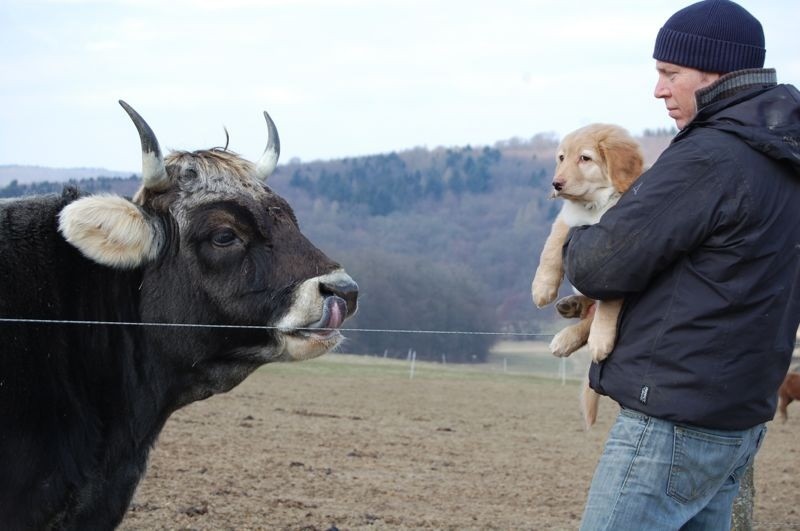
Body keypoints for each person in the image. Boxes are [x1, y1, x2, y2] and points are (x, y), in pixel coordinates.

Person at [561, 1, 800, 529]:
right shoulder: (783, 155)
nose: (659, 89)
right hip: (739, 418)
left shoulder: (712, 156)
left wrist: (576, 228)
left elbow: (600, 267)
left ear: (717, 71)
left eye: (670, 74)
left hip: (672, 419)